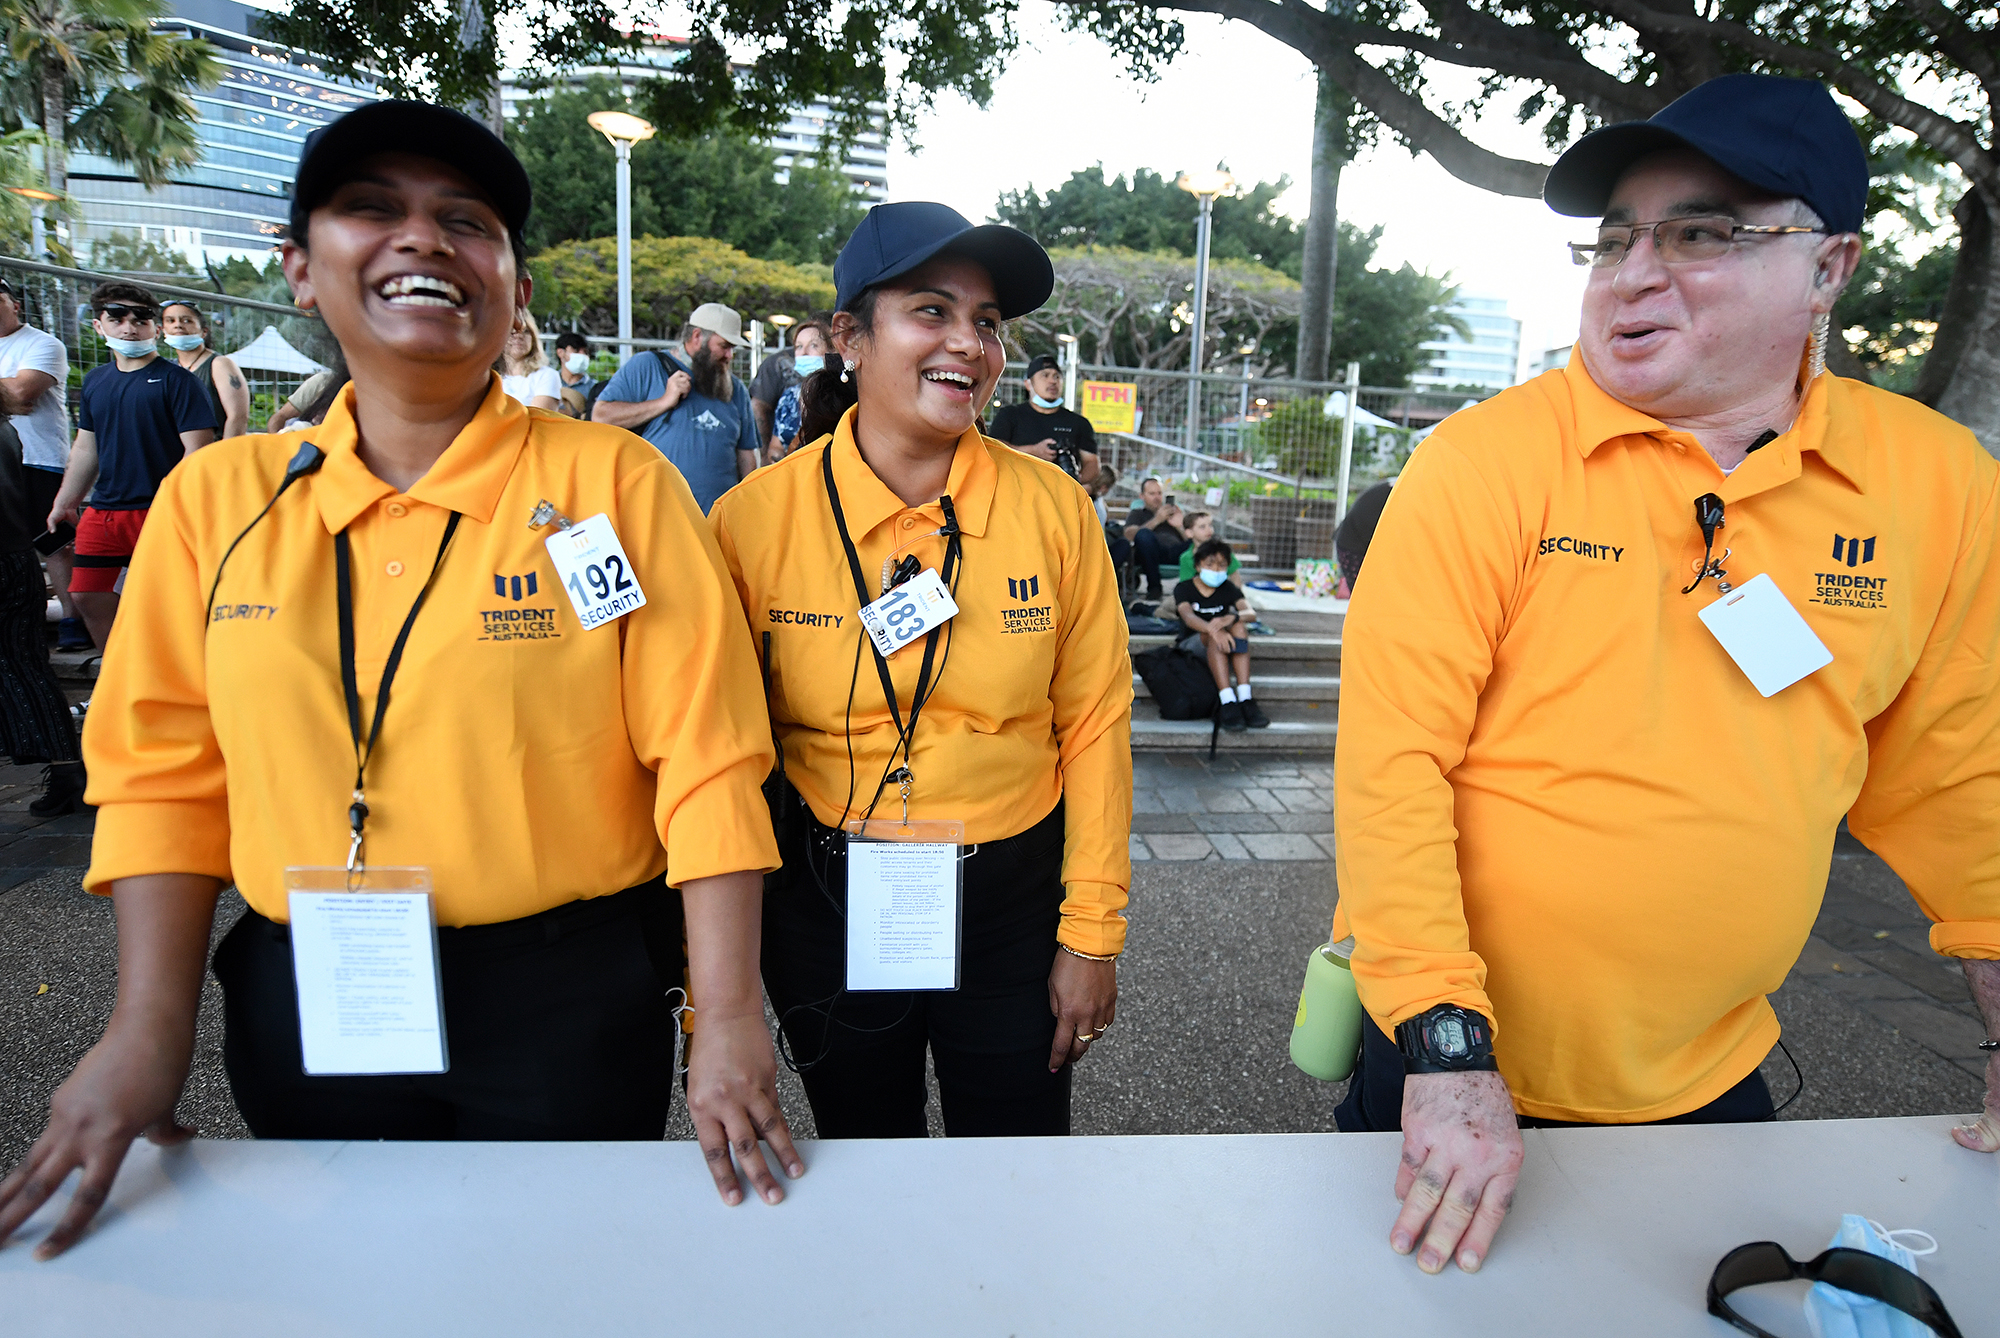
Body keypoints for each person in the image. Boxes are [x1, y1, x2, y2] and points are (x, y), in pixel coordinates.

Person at [0, 101, 801, 1262]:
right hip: (313, 986)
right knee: (352, 1283)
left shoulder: (612, 490)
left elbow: (708, 757)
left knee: (561, 1283)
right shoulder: (216, 502)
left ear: (514, 291)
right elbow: (165, 775)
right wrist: (144, 1024)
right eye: (372, 209)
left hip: (565, 998)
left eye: (466, 222)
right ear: (298, 270)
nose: (423, 241)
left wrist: (726, 1018)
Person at [1331, 73, 2000, 1281]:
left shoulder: (1935, 485)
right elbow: (1392, 767)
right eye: (1616, 236)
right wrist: (1441, 1048)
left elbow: (1951, 766)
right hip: (1450, 1059)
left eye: (1701, 232)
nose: (1635, 269)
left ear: (1829, 268)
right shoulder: (1482, 464)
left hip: (1712, 1065)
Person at [708, 201, 1132, 1139]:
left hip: (1014, 898)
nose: (970, 345)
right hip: (826, 896)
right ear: (851, 337)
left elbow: (1096, 725)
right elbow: (719, 758)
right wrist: (722, 988)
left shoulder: (1057, 513)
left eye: (987, 323)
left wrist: (1091, 930)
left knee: (1016, 1165)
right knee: (866, 1159)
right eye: (932, 312)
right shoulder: (751, 523)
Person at [47, 282, 217, 655]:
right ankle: (120, 673)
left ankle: (176, 675)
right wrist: (66, 501)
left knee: (172, 601)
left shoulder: (178, 381)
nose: (129, 326)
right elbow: (86, 446)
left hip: (161, 510)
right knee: (86, 594)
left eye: (140, 318)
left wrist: (171, 506)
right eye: (117, 317)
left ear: (155, 328)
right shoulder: (95, 382)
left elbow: (199, 451)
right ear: (98, 325)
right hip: (105, 509)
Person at [592, 302, 761, 513]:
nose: (730, 356)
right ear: (697, 336)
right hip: (657, 514)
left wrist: (748, 505)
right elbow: (601, 416)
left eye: (732, 348)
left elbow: (746, 455)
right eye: (724, 346)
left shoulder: (734, 388)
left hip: (718, 520)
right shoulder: (648, 366)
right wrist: (664, 401)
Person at [0, 416, 85, 813]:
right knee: (28, 664)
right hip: (15, 557)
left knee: (21, 665)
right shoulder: (6, 427)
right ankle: (69, 771)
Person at [0, 277, 85, 651]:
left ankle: (73, 619)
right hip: (6, 458)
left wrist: (16, 391)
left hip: (39, 458)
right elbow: (14, 395)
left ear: (14, 304)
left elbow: (22, 393)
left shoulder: (42, 344)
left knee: (54, 544)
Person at [1173, 539, 1266, 730]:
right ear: (1198, 565)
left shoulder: (1228, 588)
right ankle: (1227, 700)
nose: (1216, 569)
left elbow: (1250, 613)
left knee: (1239, 626)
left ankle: (1245, 697)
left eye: (1221, 565)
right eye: (1210, 564)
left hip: (1225, 642)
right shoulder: (1184, 588)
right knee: (1216, 636)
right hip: (1192, 644)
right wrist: (1214, 628)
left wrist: (1231, 618)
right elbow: (1188, 617)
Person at [985, 353, 1100, 485]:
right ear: (1028, 384)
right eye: (1045, 375)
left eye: (1057, 376)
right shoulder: (1010, 415)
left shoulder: (1078, 423)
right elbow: (994, 449)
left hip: (1059, 495)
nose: (1052, 381)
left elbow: (1092, 463)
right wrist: (1034, 451)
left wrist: (1072, 483)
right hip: (1016, 490)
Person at [160, 302, 250, 440]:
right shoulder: (170, 369)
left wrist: (225, 455)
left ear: (204, 331)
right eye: (170, 320)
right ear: (162, 330)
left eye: (186, 320)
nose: (178, 325)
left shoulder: (219, 364)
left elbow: (238, 417)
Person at [749, 316, 828, 455]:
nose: (803, 353)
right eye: (799, 346)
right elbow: (776, 447)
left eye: (814, 345)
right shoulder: (790, 398)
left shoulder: (843, 395)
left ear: (832, 351)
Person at [1122, 476, 1186, 602]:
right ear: (1142, 496)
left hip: (1176, 551)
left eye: (1159, 493)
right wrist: (1157, 520)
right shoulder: (1138, 513)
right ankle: (1155, 589)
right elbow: (1128, 535)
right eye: (1152, 494)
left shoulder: (1174, 513)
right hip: (1152, 553)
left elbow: (1192, 539)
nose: (1157, 497)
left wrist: (1179, 526)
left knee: (1204, 540)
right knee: (1143, 535)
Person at [1333, 479, 1392, 598]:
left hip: (1353, 541)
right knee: (1367, 598)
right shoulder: (1398, 493)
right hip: (1354, 545)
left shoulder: (1393, 486)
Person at [497, 310, 562, 411]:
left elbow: (538, 418)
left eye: (526, 331)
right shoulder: (487, 375)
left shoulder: (546, 375)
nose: (519, 336)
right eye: (512, 331)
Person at [1174, 511, 1240, 583]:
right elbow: (1185, 584)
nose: (1209, 530)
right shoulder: (1186, 558)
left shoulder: (1222, 552)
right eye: (1202, 527)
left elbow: (1234, 575)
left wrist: (1237, 593)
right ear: (1189, 533)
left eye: (1210, 525)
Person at [552, 330, 597, 417]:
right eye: (576, 350)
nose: (582, 355)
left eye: (585, 352)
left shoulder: (593, 388)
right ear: (560, 352)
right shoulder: (549, 381)